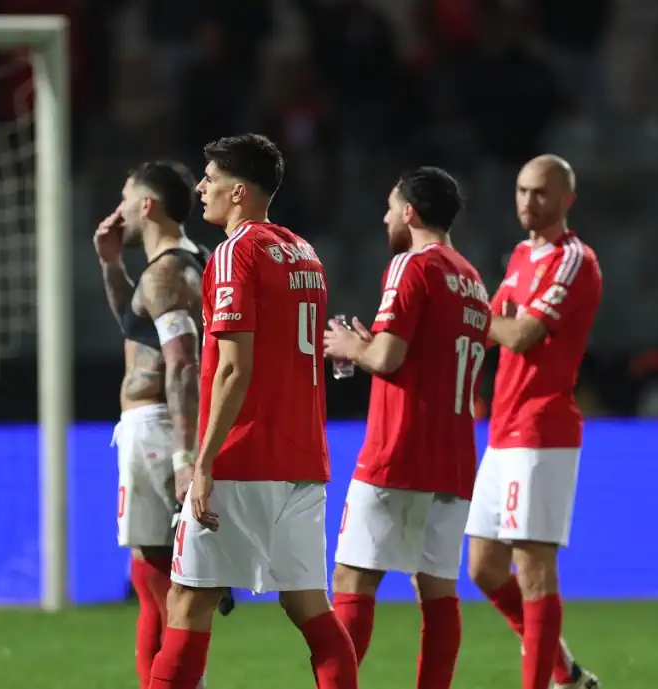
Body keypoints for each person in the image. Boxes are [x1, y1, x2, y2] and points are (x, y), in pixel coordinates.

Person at [147, 134, 358, 689]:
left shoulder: (236, 252)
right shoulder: (305, 253)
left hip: (245, 456)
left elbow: (233, 369)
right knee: (311, 608)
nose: (201, 188)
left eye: (210, 178)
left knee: (186, 602)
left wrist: (204, 461)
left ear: (238, 191)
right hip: (304, 458)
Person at [322, 167, 488, 689]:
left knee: (352, 579)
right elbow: (424, 355)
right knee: (437, 590)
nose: (387, 217)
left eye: (392, 208)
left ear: (410, 213)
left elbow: (389, 359)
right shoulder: (472, 278)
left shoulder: (410, 265)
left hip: (399, 450)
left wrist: (354, 348)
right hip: (455, 458)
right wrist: (373, 343)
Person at [463, 155, 602, 689]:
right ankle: (564, 670)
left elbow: (520, 334)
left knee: (533, 566)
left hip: (542, 428)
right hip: (503, 428)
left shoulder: (573, 260)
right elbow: (491, 323)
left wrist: (478, 314)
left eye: (541, 193)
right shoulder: (522, 255)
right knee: (482, 566)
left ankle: (544, 683)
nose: (528, 202)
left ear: (567, 199)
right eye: (522, 191)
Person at [93, 160, 213, 689]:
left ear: (148, 205)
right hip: (168, 428)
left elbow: (182, 363)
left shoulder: (167, 272)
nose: (117, 208)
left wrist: (186, 457)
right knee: (158, 576)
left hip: (161, 430)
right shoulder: (188, 264)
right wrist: (111, 265)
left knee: (160, 579)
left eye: (125, 196)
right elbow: (137, 328)